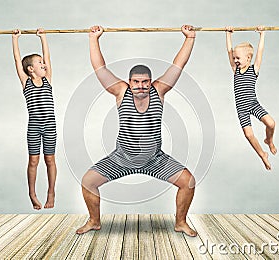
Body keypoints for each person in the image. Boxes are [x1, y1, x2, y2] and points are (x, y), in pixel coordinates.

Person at [76, 25, 197, 236]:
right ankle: (94, 221)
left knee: (189, 182)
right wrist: (93, 39)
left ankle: (180, 222)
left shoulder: (159, 90)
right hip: (122, 158)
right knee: (88, 182)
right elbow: (100, 69)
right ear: (129, 81)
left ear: (150, 82)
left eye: (145, 82)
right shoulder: (121, 91)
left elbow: (178, 65)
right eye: (136, 82)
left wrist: (190, 38)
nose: (140, 86)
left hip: (155, 159)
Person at [12, 28, 57, 209]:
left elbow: (48, 57)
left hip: (50, 126)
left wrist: (43, 37)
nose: (44, 65)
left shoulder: (48, 79)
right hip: (34, 126)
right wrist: (15, 39)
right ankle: (32, 193)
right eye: (40, 63)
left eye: (44, 63)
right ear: (30, 69)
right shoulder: (26, 82)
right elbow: (17, 60)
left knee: (50, 160)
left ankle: (51, 192)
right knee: (33, 161)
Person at [225, 26, 277, 170]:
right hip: (242, 108)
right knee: (249, 135)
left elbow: (260, 52)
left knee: (271, 124)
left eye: (238, 58)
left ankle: (269, 140)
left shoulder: (254, 69)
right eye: (234, 58)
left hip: (253, 104)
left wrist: (262, 34)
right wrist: (228, 35)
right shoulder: (236, 70)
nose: (235, 60)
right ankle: (262, 154)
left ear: (248, 58)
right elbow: (229, 52)